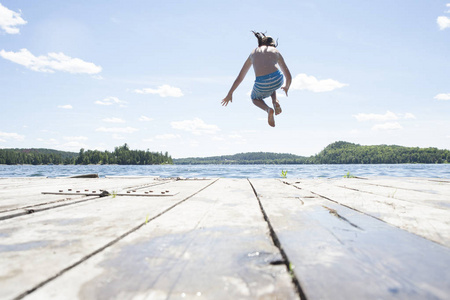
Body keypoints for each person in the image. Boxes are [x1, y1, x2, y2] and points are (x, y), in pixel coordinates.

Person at [221, 31, 292, 127]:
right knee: (271, 84)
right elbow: (288, 75)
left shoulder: (253, 53)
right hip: (278, 79)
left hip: (262, 83)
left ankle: (268, 109)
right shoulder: (276, 52)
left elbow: (240, 77)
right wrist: (287, 86)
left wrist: (230, 93)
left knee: (254, 98)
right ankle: (275, 101)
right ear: (273, 45)